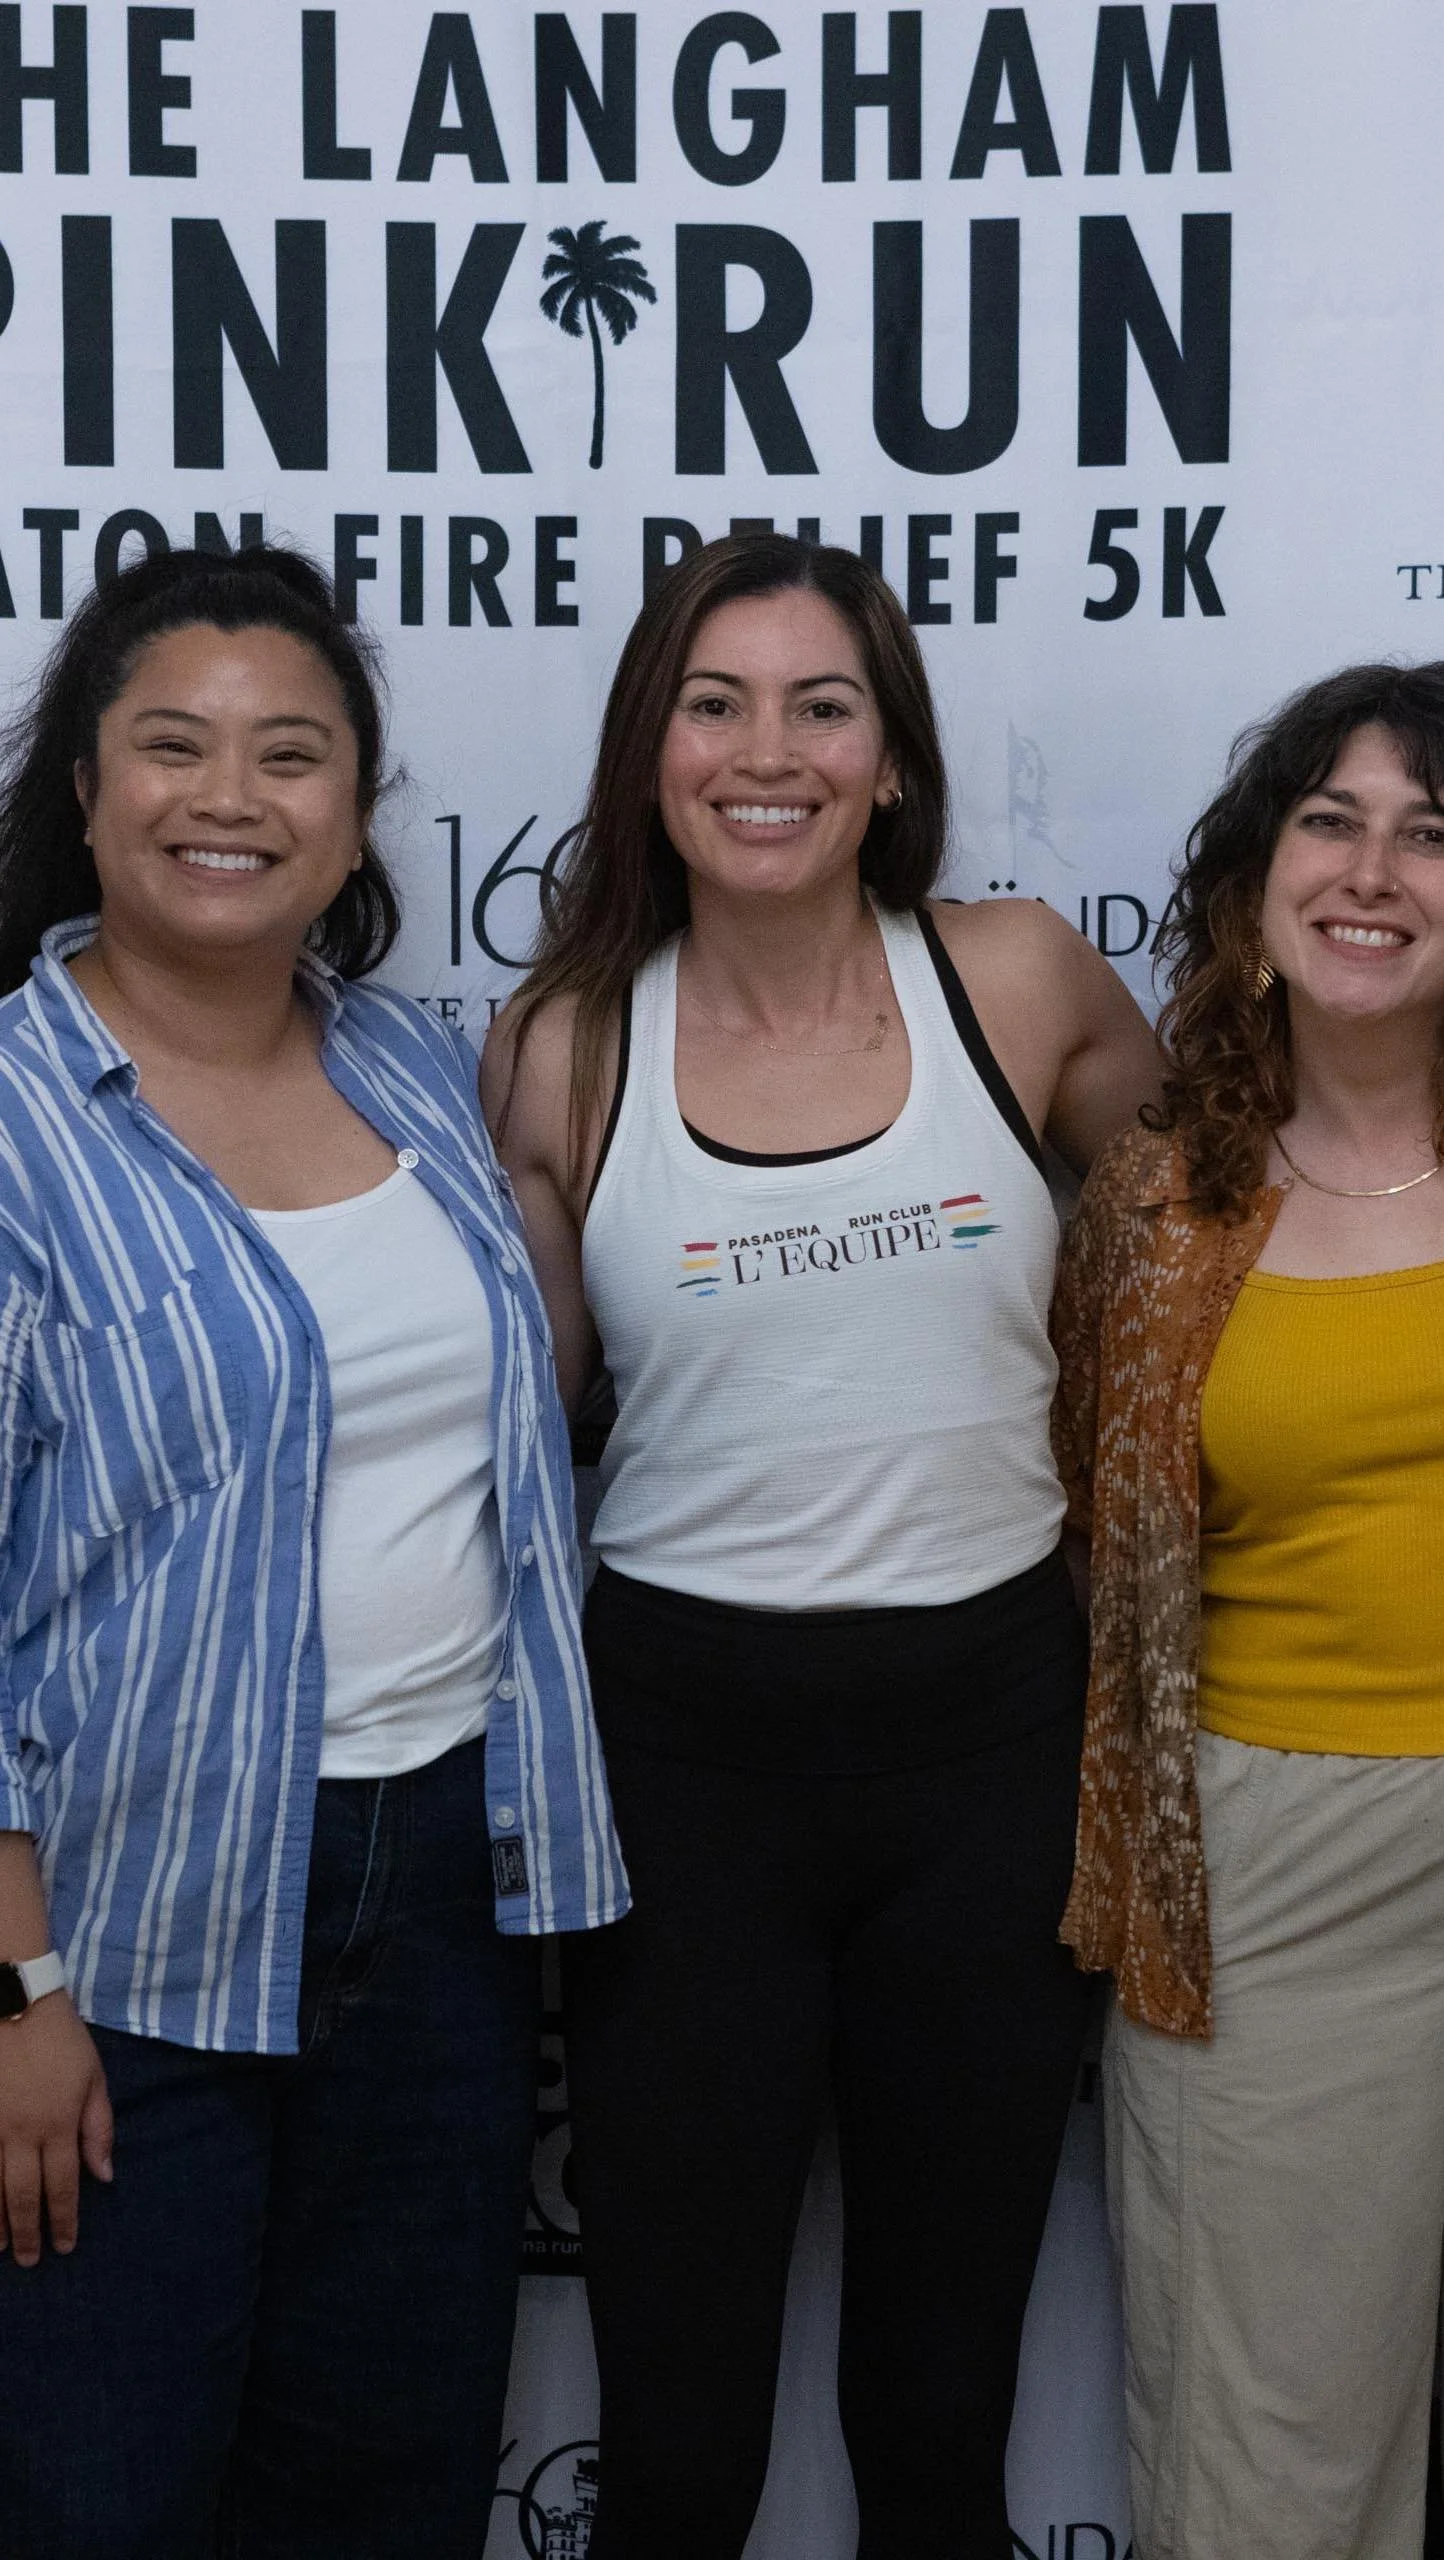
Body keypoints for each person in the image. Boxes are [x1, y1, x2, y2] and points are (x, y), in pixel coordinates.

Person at [484, 530, 1161, 2560]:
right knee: (678, 2445)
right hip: (681, 1780)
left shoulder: (1018, 980)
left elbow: (1212, 1267)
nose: (765, 752)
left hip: (987, 1766)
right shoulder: (564, 1044)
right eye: (715, 704)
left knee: (938, 2422)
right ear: (651, 750)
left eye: (821, 705)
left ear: (892, 758)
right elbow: (527, 1418)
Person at [0, 544, 626, 2560]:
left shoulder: (410, 1067)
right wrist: (14, 1988)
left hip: (438, 1904)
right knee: (101, 2500)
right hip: (119, 1933)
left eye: (289, 754)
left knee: (383, 2489)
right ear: (84, 788)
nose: (229, 796)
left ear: (354, 817)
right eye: (171, 745)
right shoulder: (14, 1117)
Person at [1050, 662, 1444, 2560]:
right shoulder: (1158, 1203)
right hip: (1278, 1875)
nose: (1375, 872)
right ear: (1252, 884)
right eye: (1331, 821)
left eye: (1432, 835)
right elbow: (1085, 1533)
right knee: (1267, 2452)